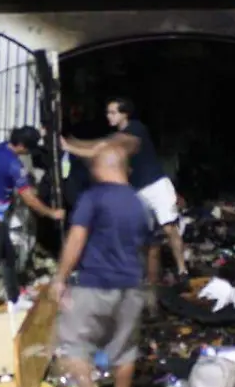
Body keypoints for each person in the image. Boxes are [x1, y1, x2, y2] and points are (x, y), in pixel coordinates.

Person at [45, 145, 150, 387]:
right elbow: (149, 248)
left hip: (94, 283)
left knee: (74, 347)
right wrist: (150, 285)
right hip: (131, 286)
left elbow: (77, 238)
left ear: (100, 167)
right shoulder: (141, 203)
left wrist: (60, 278)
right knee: (125, 350)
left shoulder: (93, 197)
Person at [62, 97, 188, 280]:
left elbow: (102, 147)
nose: (108, 116)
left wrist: (70, 145)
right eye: (107, 112)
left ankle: (182, 269)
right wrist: (70, 145)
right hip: (137, 189)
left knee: (169, 228)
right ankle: (146, 275)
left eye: (113, 112)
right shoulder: (116, 137)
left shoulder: (135, 129)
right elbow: (98, 148)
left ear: (125, 114)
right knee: (144, 236)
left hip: (155, 184)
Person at [0, 126, 65, 318]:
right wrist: (51, 213)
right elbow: (29, 198)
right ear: (21, 145)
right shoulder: (14, 165)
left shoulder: (1, 148)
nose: (29, 152)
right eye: (29, 147)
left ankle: (14, 299)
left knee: (8, 258)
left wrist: (38, 132)